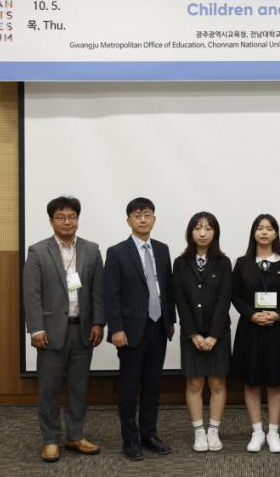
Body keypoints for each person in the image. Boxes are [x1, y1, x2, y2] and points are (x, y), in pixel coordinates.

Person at [23, 196, 105, 463]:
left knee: (79, 387)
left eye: (72, 217)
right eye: (60, 217)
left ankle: (75, 435)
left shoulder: (91, 250)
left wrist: (98, 322)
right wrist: (36, 329)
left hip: (82, 330)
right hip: (50, 332)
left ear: (78, 220)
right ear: (51, 221)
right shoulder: (38, 251)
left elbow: (98, 291)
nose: (67, 222)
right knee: (49, 389)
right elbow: (32, 294)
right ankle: (50, 440)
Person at [103, 197, 176, 461]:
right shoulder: (117, 252)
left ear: (154, 219)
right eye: (137, 215)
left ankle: (149, 435)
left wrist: (170, 321)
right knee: (129, 388)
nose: (143, 219)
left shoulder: (163, 249)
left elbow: (167, 287)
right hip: (130, 330)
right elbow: (111, 294)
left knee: (153, 385)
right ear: (129, 221)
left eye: (147, 215)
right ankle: (130, 440)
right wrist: (116, 328)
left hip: (158, 327)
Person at [231, 214, 280, 453]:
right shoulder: (242, 263)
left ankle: (274, 432)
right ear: (254, 233)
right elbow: (235, 296)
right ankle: (257, 432)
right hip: (250, 328)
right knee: (252, 381)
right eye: (260, 228)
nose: (264, 232)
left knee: (275, 382)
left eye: (269, 228)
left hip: (276, 328)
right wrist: (251, 314)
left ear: (276, 233)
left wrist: (278, 314)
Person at [173, 212, 232, 452]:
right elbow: (180, 300)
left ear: (215, 232)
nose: (203, 233)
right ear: (191, 232)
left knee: (217, 382)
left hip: (218, 334)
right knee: (195, 382)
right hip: (192, 334)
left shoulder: (224, 262)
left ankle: (213, 431)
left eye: (208, 228)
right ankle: (199, 432)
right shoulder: (180, 263)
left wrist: (213, 335)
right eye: (198, 228)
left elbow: (224, 300)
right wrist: (194, 334)